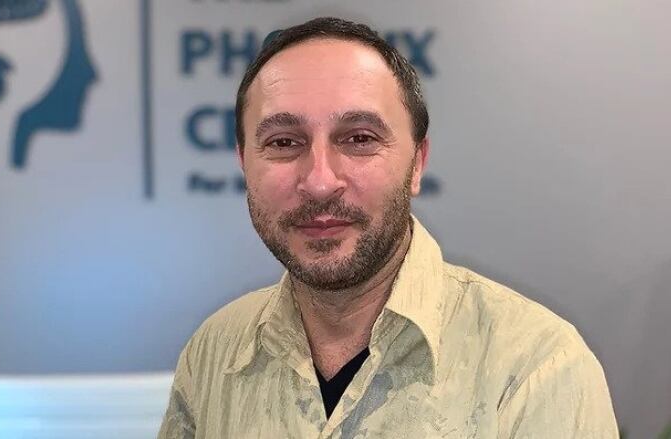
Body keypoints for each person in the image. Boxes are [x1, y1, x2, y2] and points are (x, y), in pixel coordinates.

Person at [158, 17, 618, 438]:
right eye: (283, 142)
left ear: (417, 162)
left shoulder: (537, 366)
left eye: (359, 139)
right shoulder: (213, 354)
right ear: (244, 163)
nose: (320, 182)